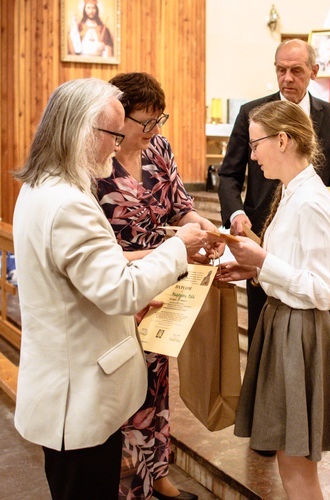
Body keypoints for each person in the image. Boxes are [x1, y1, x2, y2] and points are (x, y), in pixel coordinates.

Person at [11, 78, 208, 499]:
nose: (116, 146)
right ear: (83, 131)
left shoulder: (42, 186)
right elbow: (119, 291)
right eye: (112, 135)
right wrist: (176, 249)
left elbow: (87, 272)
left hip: (72, 380)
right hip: (78, 393)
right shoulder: (69, 204)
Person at [216, 100, 330, 499]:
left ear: (282, 140)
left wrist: (263, 261)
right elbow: (292, 264)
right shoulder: (291, 192)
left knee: (297, 468)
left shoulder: (312, 201)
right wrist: (253, 269)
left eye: (256, 144)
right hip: (284, 325)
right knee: (289, 462)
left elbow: (328, 288)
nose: (252, 155)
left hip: (302, 334)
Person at [97, 72, 223, 500]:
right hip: (118, 284)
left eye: (158, 121)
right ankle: (120, 480)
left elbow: (181, 208)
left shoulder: (158, 149)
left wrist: (207, 232)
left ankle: (156, 477)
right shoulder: (97, 161)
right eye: (144, 122)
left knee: (157, 381)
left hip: (163, 281)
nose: (153, 132)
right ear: (117, 116)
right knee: (120, 386)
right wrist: (171, 251)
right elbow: (97, 252)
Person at [217, 38, 330, 358]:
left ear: (313, 71)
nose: (287, 78)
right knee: (262, 338)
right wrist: (236, 214)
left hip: (309, 236)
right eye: (281, 70)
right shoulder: (252, 113)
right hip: (260, 235)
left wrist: (326, 220)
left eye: (296, 70)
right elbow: (229, 174)